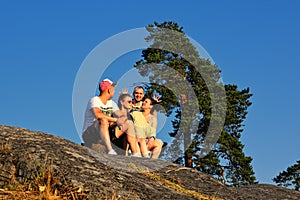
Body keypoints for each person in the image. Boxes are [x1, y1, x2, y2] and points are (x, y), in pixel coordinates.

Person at [82, 78, 126, 155]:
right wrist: (115, 120)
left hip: (104, 130)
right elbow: (98, 115)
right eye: (113, 88)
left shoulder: (111, 103)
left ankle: (131, 152)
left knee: (127, 124)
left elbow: (122, 115)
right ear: (109, 90)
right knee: (103, 120)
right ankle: (110, 150)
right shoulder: (94, 100)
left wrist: (120, 120)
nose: (114, 91)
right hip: (90, 133)